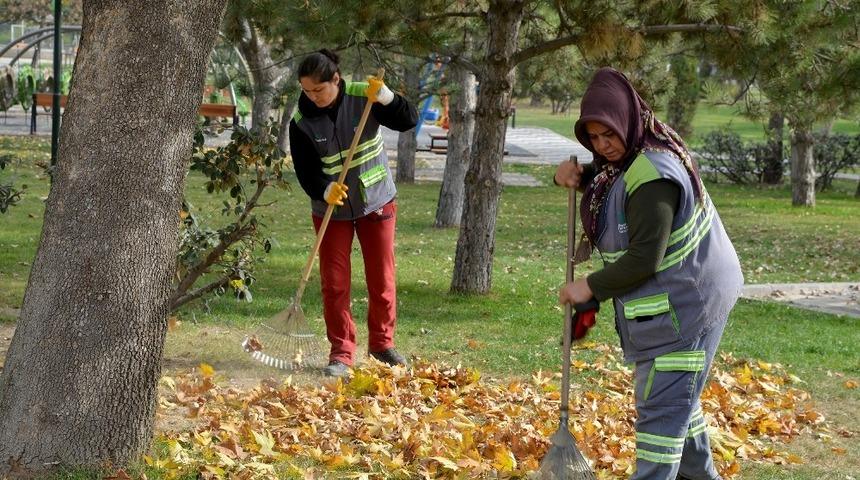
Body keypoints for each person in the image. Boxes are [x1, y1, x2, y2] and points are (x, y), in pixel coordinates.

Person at [555, 67, 743, 480]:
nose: (603, 147)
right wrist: (579, 176)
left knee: (661, 411)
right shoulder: (635, 153)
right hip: (689, 292)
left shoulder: (654, 176)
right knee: (679, 399)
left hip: (690, 302)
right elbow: (614, 185)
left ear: (628, 119)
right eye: (594, 139)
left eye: (610, 136)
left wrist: (589, 286)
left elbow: (643, 259)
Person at [289, 49, 418, 377]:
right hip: (331, 209)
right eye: (306, 91)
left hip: (376, 200)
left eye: (319, 89)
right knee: (334, 283)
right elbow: (306, 171)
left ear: (336, 79)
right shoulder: (301, 122)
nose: (313, 97)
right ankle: (341, 353)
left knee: (381, 276)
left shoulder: (365, 96)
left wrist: (388, 98)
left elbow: (408, 120)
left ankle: (382, 345)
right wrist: (323, 189)